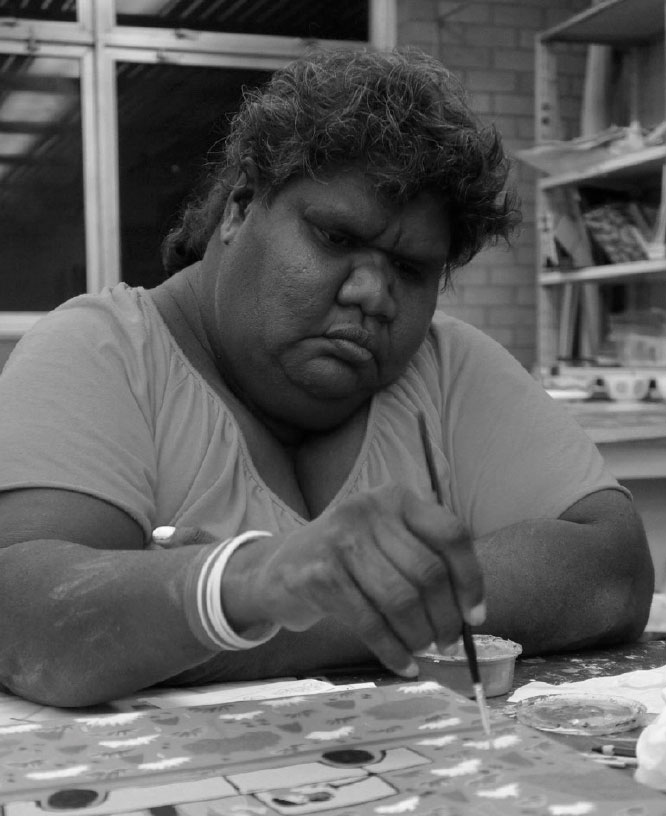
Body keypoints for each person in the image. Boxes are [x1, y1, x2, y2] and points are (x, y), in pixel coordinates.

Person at [0, 47, 653, 708]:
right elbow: (26, 620)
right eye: (336, 239)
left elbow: (613, 573)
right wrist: (262, 581)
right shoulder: (104, 351)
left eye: (411, 269)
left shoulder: (447, 365)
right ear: (239, 207)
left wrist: (239, 612)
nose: (374, 293)